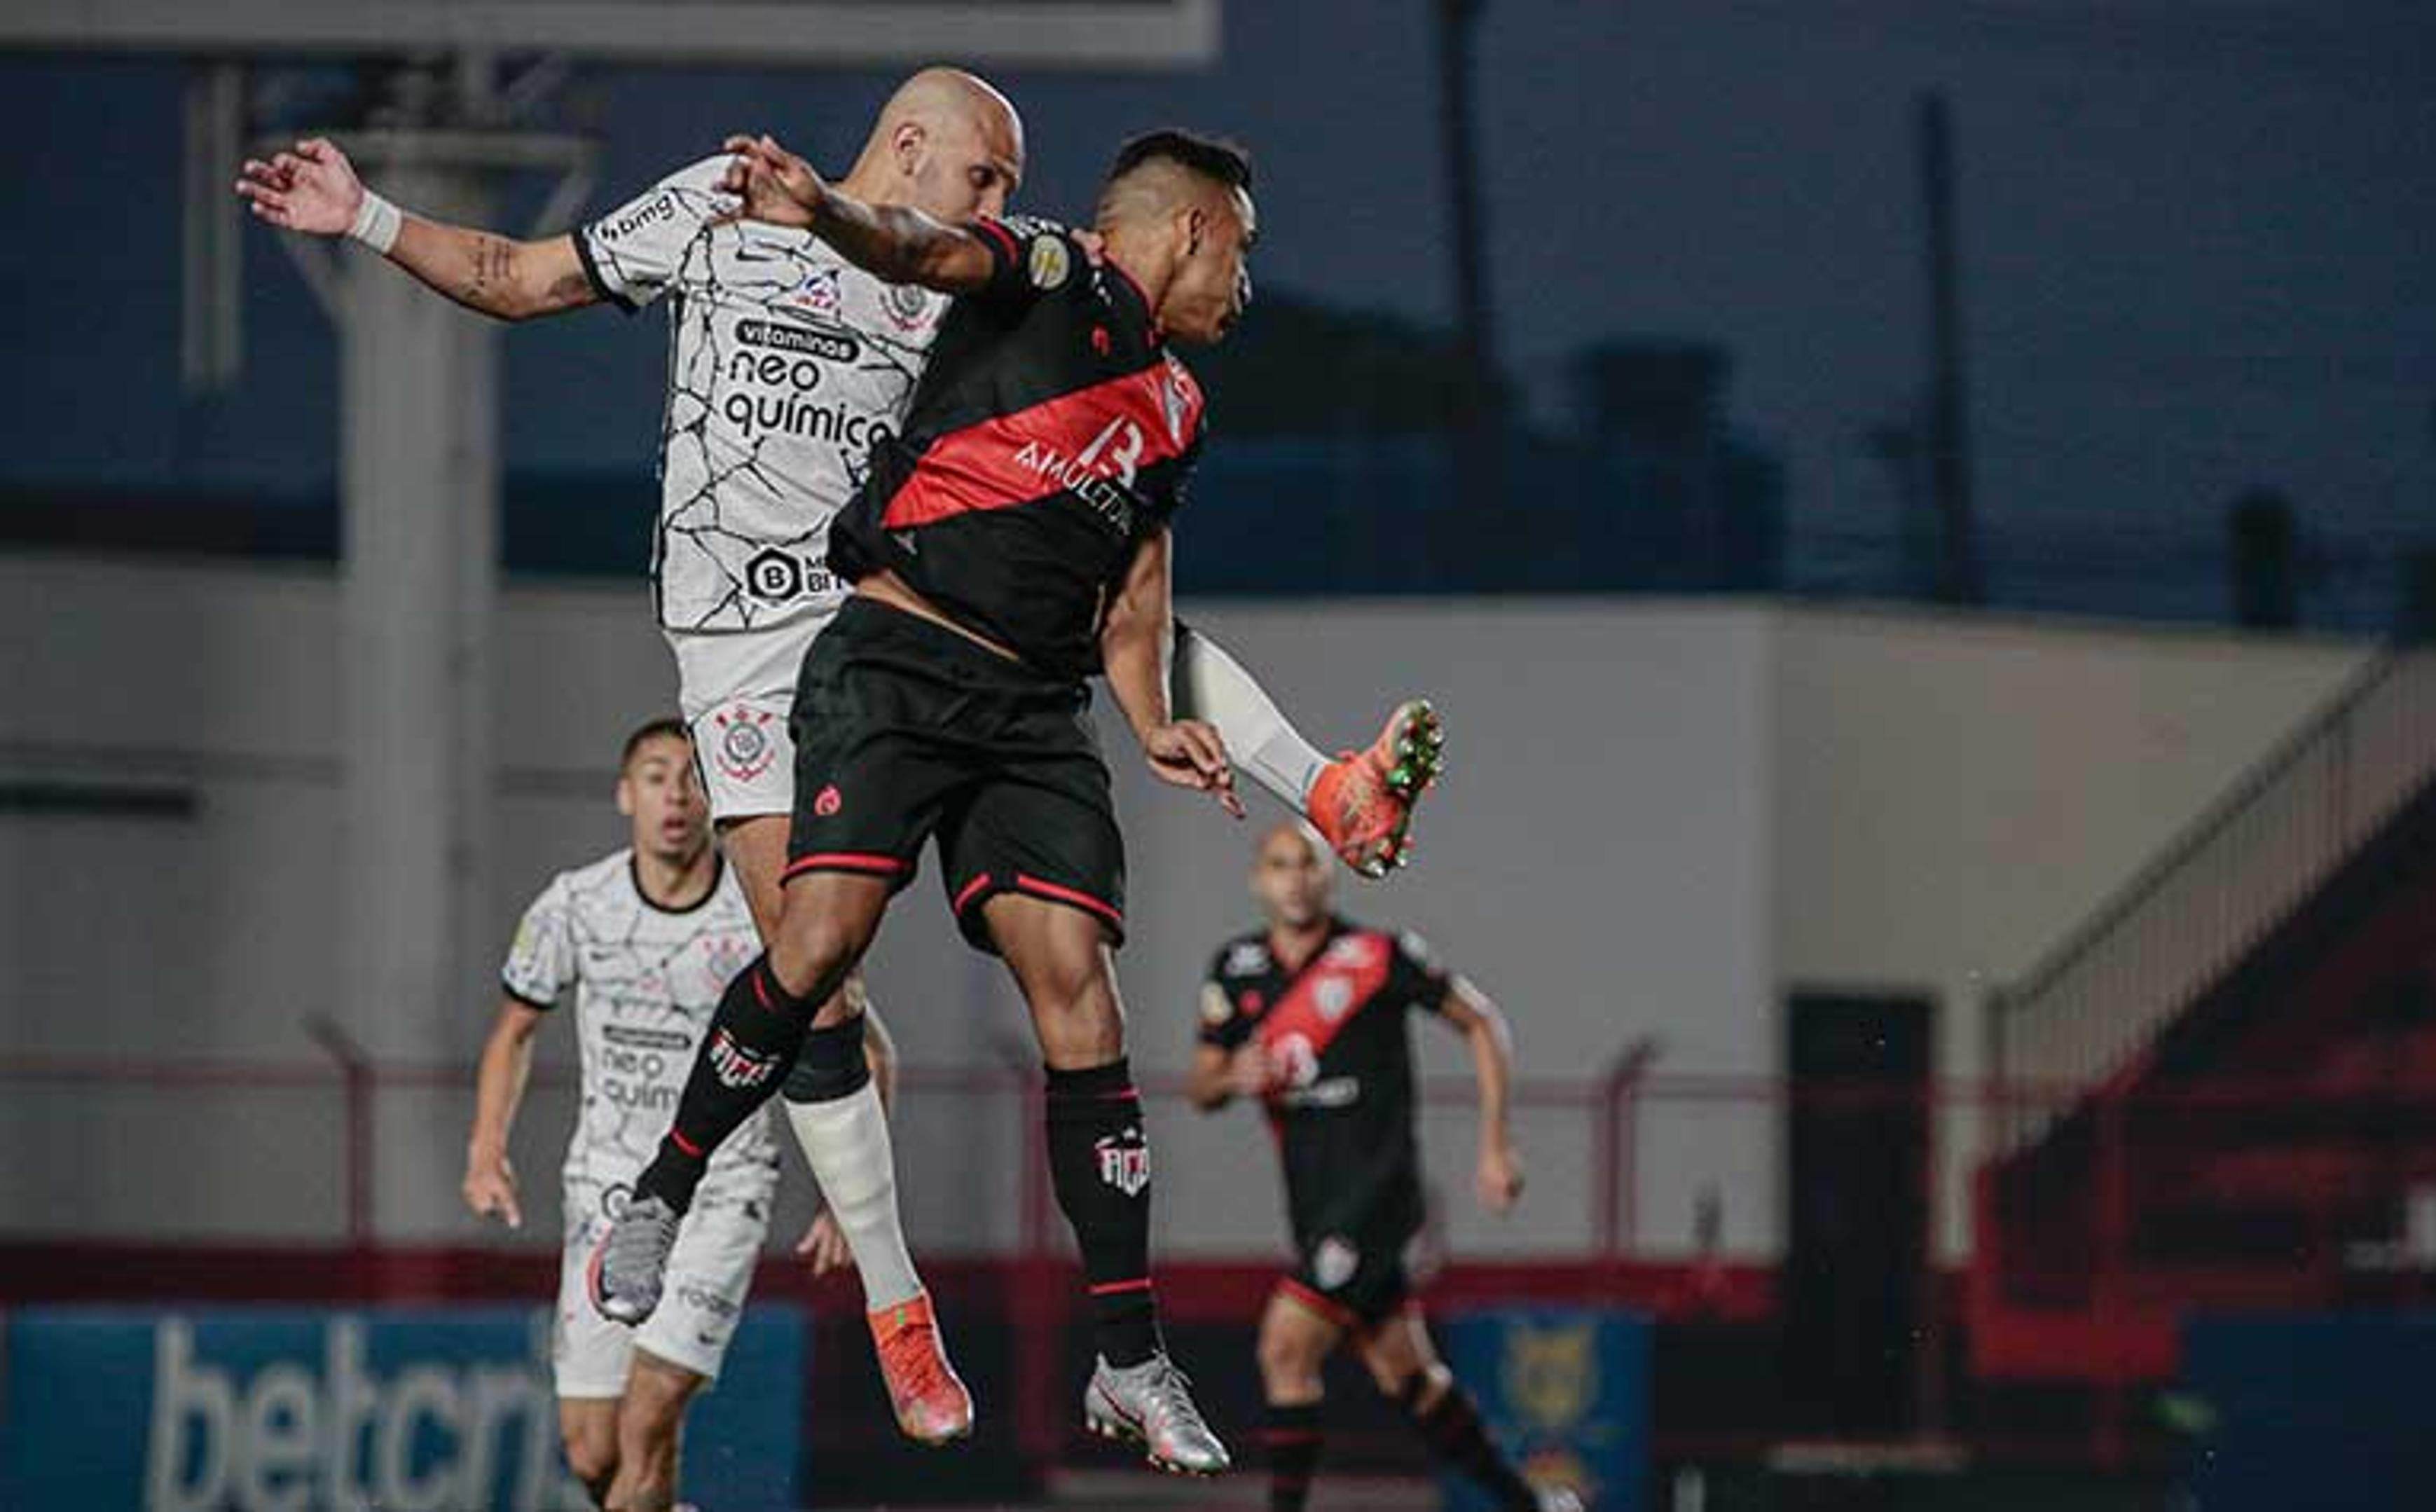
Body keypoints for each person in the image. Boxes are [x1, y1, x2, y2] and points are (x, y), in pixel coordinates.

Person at [234, 67, 1434, 1442]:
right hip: (741, 643)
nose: (1001, 200)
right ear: (909, 142)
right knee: (814, 961)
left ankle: (1325, 788)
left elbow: (968, 298)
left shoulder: (973, 276)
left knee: (1081, 590)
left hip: (893, 598)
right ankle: (893, 1290)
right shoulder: (720, 209)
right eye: (984, 173)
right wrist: (366, 214)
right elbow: (516, 272)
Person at [593, 125, 1291, 1476]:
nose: (1246, 289)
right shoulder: (1049, 272)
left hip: (1034, 715)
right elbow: (920, 244)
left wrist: (1152, 722)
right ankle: (661, 1194)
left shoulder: (1178, 411)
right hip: (899, 662)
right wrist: (825, 214)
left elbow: (1136, 597)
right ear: (1194, 228)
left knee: (1080, 992)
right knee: (819, 946)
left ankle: (1130, 1358)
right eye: (1243, 254)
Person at [462, 717, 872, 1510]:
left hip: (724, 1189)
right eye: (655, 776)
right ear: (626, 795)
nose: (675, 795)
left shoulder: (765, 914)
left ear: (716, 796)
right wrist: (487, 1148)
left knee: (651, 1416)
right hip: (605, 1189)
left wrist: (851, 1196)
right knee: (591, 1448)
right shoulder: (576, 905)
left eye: (691, 776)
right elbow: (513, 1030)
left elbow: (867, 1047)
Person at [1190, 824, 1581, 1512]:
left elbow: (1482, 1023)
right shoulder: (1237, 967)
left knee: (1285, 1347)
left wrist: (1496, 1143)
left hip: (1379, 1193)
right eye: (1279, 865)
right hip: (1313, 1203)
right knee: (1409, 1374)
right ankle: (1531, 1504)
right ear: (1259, 879)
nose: (1295, 878)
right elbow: (1201, 1084)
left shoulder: (1376, 956)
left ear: (1328, 875)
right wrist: (1231, 1076)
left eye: (1308, 863)